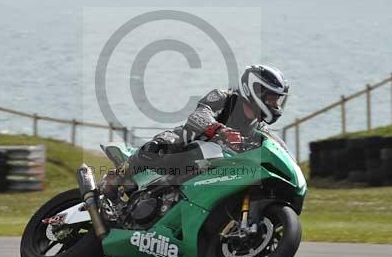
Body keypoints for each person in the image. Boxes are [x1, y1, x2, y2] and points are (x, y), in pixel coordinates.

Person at [109, 65, 289, 192]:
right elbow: (199, 115)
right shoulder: (224, 98)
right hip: (186, 146)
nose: (275, 105)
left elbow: (278, 148)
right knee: (157, 147)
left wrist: (289, 162)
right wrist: (221, 131)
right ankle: (117, 177)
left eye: (277, 100)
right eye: (272, 98)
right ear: (255, 90)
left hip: (216, 167)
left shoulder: (260, 129)